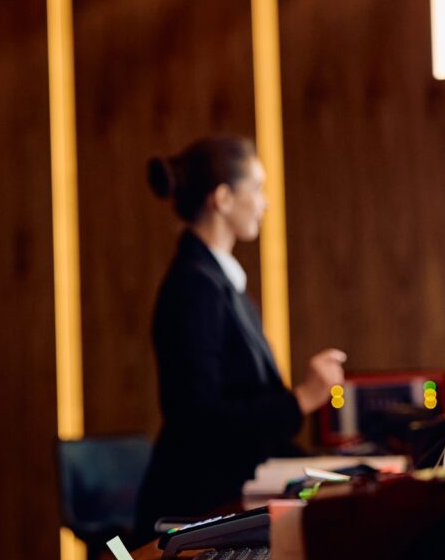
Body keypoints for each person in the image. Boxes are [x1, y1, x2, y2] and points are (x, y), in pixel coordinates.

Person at [134, 136, 345, 535]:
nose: (265, 202)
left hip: (220, 499)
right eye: (257, 188)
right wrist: (301, 398)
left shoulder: (218, 279)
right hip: (193, 509)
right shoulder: (195, 287)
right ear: (223, 198)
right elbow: (199, 420)